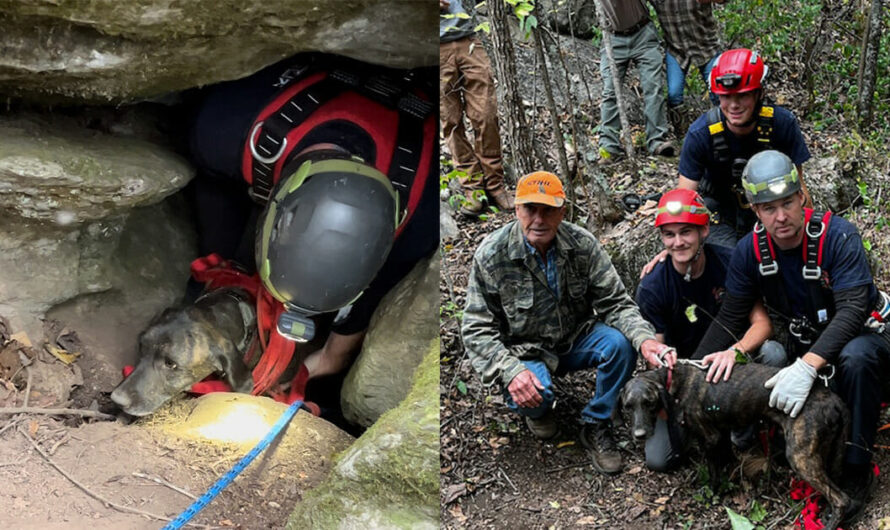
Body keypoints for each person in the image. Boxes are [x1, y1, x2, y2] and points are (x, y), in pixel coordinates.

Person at [187, 52, 439, 397]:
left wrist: (329, 357)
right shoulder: (226, 125)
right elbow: (214, 183)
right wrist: (223, 267)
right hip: (320, 80)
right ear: (272, 202)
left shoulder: (421, 220)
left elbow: (377, 291)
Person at [693, 150, 890, 525]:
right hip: (811, 343)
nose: (780, 217)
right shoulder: (750, 251)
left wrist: (807, 367)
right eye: (768, 208)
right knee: (775, 355)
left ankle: (856, 467)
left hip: (871, 340)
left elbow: (852, 310)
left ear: (802, 197)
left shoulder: (838, 236)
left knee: (856, 355)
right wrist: (688, 369)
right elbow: (731, 316)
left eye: (787, 203)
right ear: (753, 208)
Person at [461, 171, 675, 475]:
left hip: (576, 338)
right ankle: (536, 409)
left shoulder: (581, 244)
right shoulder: (493, 253)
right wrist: (511, 371)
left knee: (620, 345)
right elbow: (475, 328)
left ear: (563, 211)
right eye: (530, 209)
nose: (539, 219)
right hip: (525, 352)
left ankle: (597, 422)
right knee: (536, 397)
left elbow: (615, 302)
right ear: (516, 210)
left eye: (548, 210)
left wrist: (646, 340)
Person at [635, 188, 786, 470]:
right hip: (686, 378)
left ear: (704, 231)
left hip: (733, 368)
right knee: (660, 459)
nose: (678, 242)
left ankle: (747, 435)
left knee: (773, 354)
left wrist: (734, 352)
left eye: (686, 232)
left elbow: (763, 325)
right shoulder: (653, 285)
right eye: (669, 235)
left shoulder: (729, 262)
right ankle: (702, 428)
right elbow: (655, 354)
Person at [676, 48, 812, 247]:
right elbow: (685, 198)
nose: (734, 105)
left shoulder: (782, 125)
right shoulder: (701, 134)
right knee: (728, 264)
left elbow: (798, 187)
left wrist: (811, 235)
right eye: (726, 97)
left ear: (759, 93)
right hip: (719, 215)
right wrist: (675, 250)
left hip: (770, 208)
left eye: (742, 96)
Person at [440, 0, 514, 216]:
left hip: (469, 40)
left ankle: (495, 185)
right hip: (436, 46)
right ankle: (473, 188)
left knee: (486, 114)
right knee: (450, 122)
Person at [596, 0, 675, 163]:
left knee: (653, 87)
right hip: (612, 36)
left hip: (643, 32)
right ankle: (609, 148)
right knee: (610, 92)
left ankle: (657, 141)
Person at [650, 0, 723, 133]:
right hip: (676, 49)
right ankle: (683, 138)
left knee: (719, 91)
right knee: (674, 95)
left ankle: (726, 132)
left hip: (706, 47)